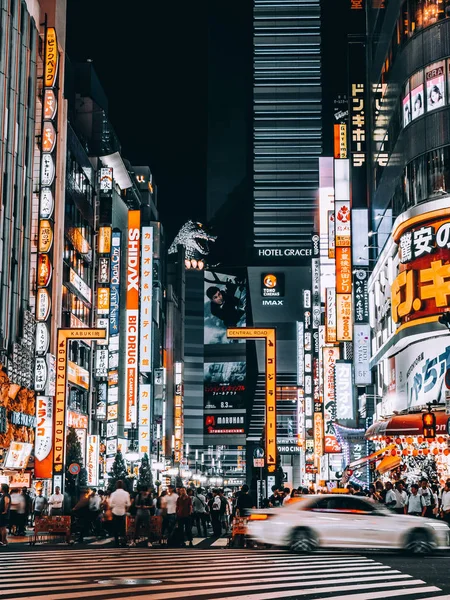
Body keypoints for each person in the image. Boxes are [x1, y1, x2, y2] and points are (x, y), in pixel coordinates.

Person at [109, 480, 131, 546]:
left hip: (115, 511)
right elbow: (129, 504)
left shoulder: (113, 494)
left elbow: (110, 504)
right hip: (123, 511)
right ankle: (123, 541)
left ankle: (116, 542)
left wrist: (114, 506)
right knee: (123, 528)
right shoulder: (126, 493)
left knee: (115, 527)